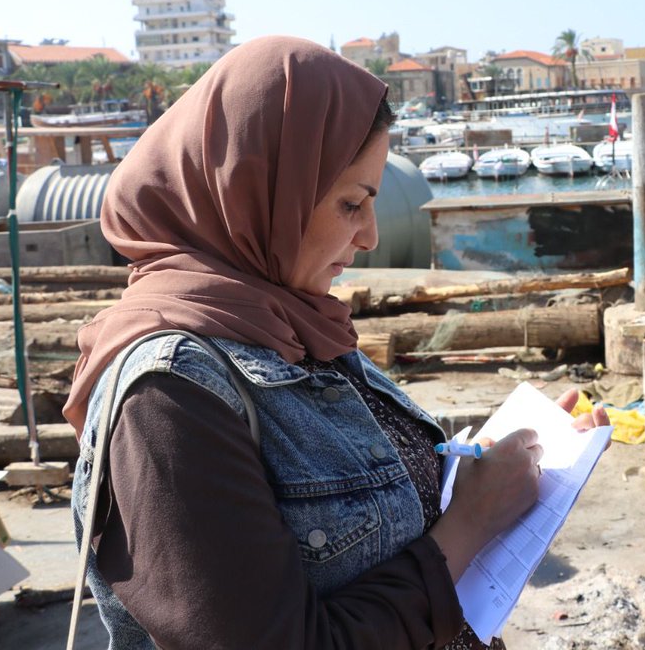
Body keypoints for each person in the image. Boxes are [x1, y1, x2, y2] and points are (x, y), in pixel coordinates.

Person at [65, 36, 608, 649]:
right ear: (261, 193)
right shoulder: (167, 399)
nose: (371, 237)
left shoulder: (292, 323)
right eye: (352, 204)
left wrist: (493, 465)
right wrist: (472, 523)